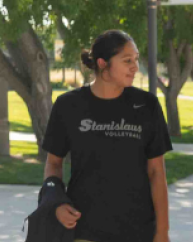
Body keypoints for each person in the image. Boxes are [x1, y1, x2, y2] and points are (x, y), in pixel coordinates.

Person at [42, 30, 172, 242]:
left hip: (138, 231)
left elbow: (157, 172)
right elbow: (53, 163)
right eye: (127, 60)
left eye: (136, 59)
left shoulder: (147, 106)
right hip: (84, 229)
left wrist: (162, 232)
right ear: (103, 64)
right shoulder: (68, 106)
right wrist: (56, 201)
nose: (135, 67)